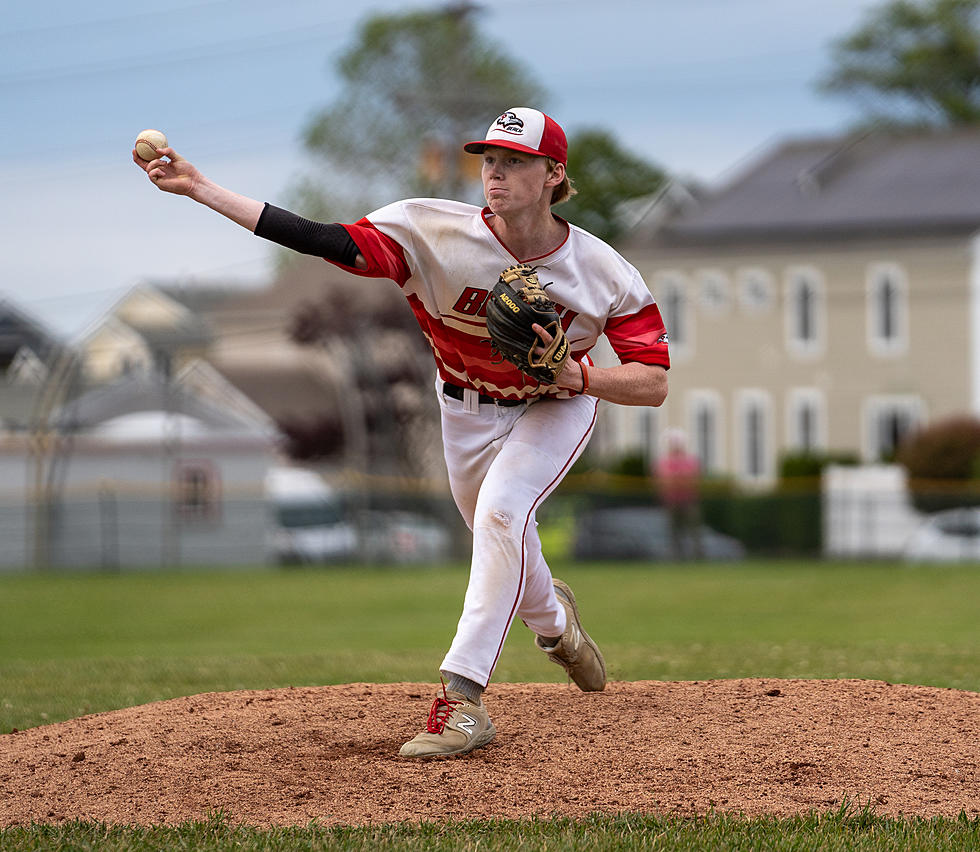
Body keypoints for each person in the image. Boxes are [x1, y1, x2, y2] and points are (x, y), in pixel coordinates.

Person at [134, 107, 670, 758]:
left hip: (554, 405)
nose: (494, 173)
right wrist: (201, 188)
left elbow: (653, 381)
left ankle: (463, 700)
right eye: (489, 160)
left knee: (503, 514)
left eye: (515, 161)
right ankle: (557, 627)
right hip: (464, 408)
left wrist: (578, 375)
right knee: (502, 529)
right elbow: (323, 240)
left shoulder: (602, 270)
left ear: (554, 174)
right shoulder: (429, 228)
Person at [655, 429, 702, 560]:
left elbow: (692, 480)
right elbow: (664, 481)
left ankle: (697, 555)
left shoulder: (689, 460)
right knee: (673, 531)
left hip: (688, 499)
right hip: (671, 500)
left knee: (693, 529)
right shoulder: (665, 461)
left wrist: (677, 480)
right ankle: (676, 556)